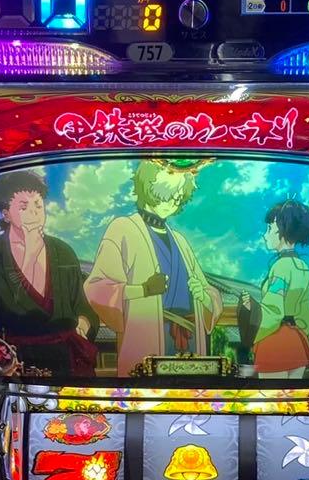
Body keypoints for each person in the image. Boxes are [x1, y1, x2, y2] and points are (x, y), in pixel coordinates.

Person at [84, 159, 222, 376]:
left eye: (178, 197)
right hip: (145, 339)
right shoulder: (122, 229)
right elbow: (97, 287)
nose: (173, 202)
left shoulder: (180, 241)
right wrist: (143, 290)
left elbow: (210, 293)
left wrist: (203, 296)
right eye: (167, 194)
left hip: (190, 341)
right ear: (147, 188)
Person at [0, 169, 98, 375]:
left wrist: (83, 324)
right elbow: (5, 310)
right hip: (16, 361)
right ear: (6, 214)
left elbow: (81, 306)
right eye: (24, 207)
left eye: (38, 205)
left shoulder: (63, 251)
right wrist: (30, 255)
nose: (34, 212)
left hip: (66, 358)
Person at [240, 199, 309, 379]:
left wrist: (251, 314)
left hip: (275, 343)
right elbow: (307, 310)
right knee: (292, 395)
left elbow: (274, 309)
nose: (265, 235)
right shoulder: (303, 267)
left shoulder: (280, 268)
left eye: (269, 229)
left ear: (283, 231)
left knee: (271, 394)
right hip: (297, 342)